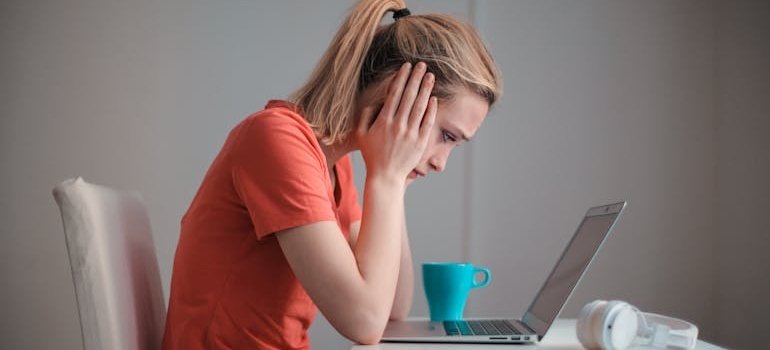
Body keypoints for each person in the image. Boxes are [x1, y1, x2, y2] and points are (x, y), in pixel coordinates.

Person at [162, 0, 501, 349]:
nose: (442, 162)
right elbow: (364, 321)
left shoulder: (334, 163)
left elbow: (393, 309)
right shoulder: (276, 139)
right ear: (398, 95)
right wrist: (386, 178)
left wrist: (395, 180)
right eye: (447, 136)